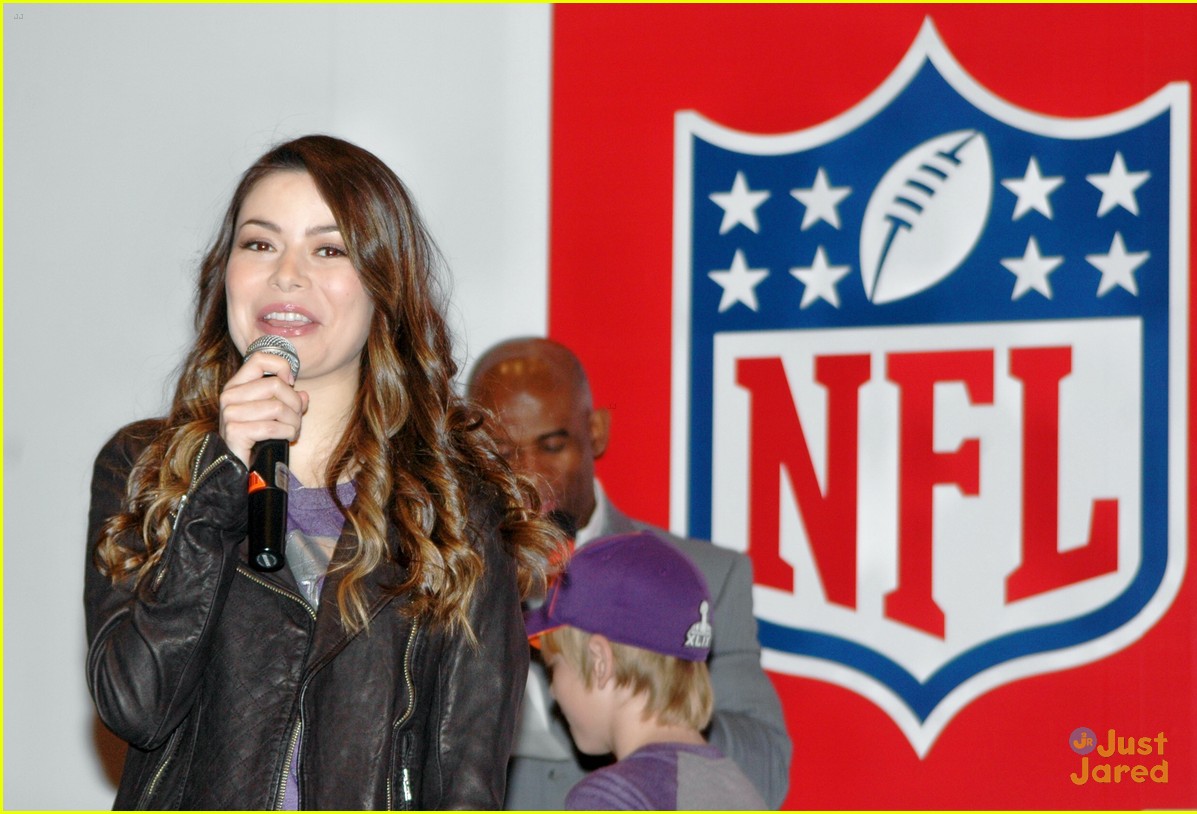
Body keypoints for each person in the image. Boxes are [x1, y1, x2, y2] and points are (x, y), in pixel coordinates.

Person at [84, 135, 559, 810]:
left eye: (328, 249)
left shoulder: (451, 503)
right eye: (259, 244)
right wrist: (223, 478)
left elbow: (467, 778)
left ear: (382, 284)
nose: (287, 275)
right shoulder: (145, 470)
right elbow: (134, 705)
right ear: (226, 274)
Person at [468, 337, 792, 809]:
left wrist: (657, 703)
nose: (527, 475)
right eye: (499, 452)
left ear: (595, 431)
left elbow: (765, 771)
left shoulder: (697, 576)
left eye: (552, 444)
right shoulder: (436, 584)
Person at [526, 531, 767, 810]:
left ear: (599, 662)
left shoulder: (610, 798)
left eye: (553, 667)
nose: (553, 690)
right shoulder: (740, 789)